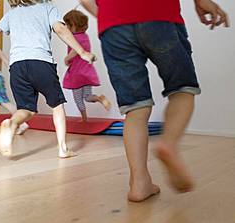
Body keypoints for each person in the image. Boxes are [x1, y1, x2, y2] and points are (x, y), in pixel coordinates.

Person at [80, 0, 230, 202]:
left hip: (113, 27)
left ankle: (139, 183)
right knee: (182, 88)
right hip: (159, 14)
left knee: (135, 107)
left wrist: (111, 16)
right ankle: (168, 143)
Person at [0, 0, 96, 158]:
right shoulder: (47, 8)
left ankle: (12, 123)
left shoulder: (11, 14)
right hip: (41, 63)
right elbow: (60, 29)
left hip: (17, 67)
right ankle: (63, 149)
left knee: (26, 109)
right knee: (57, 106)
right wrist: (82, 52)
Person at [63, 9, 111, 122]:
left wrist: (66, 60)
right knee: (88, 97)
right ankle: (100, 98)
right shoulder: (85, 36)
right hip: (87, 72)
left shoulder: (73, 39)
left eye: (67, 26)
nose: (66, 28)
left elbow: (74, 53)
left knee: (78, 99)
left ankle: (84, 119)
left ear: (73, 26)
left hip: (77, 74)